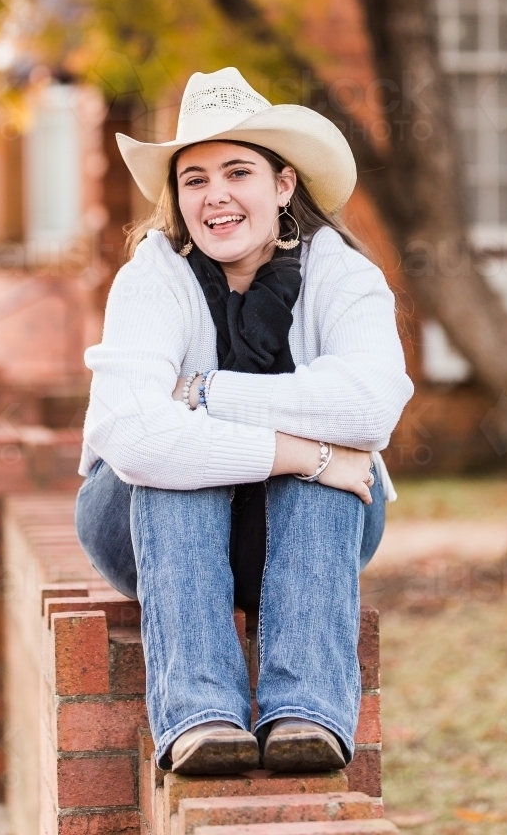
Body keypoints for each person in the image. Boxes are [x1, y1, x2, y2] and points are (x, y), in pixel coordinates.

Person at [75, 68, 413, 778]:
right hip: (142, 529)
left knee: (306, 467)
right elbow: (135, 437)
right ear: (177, 198)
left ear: (283, 184)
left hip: (308, 537)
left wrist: (201, 392)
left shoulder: (342, 274)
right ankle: (200, 717)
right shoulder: (151, 277)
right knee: (177, 462)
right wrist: (302, 450)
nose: (215, 195)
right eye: (193, 179)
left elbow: (373, 406)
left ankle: (306, 715)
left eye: (237, 171)